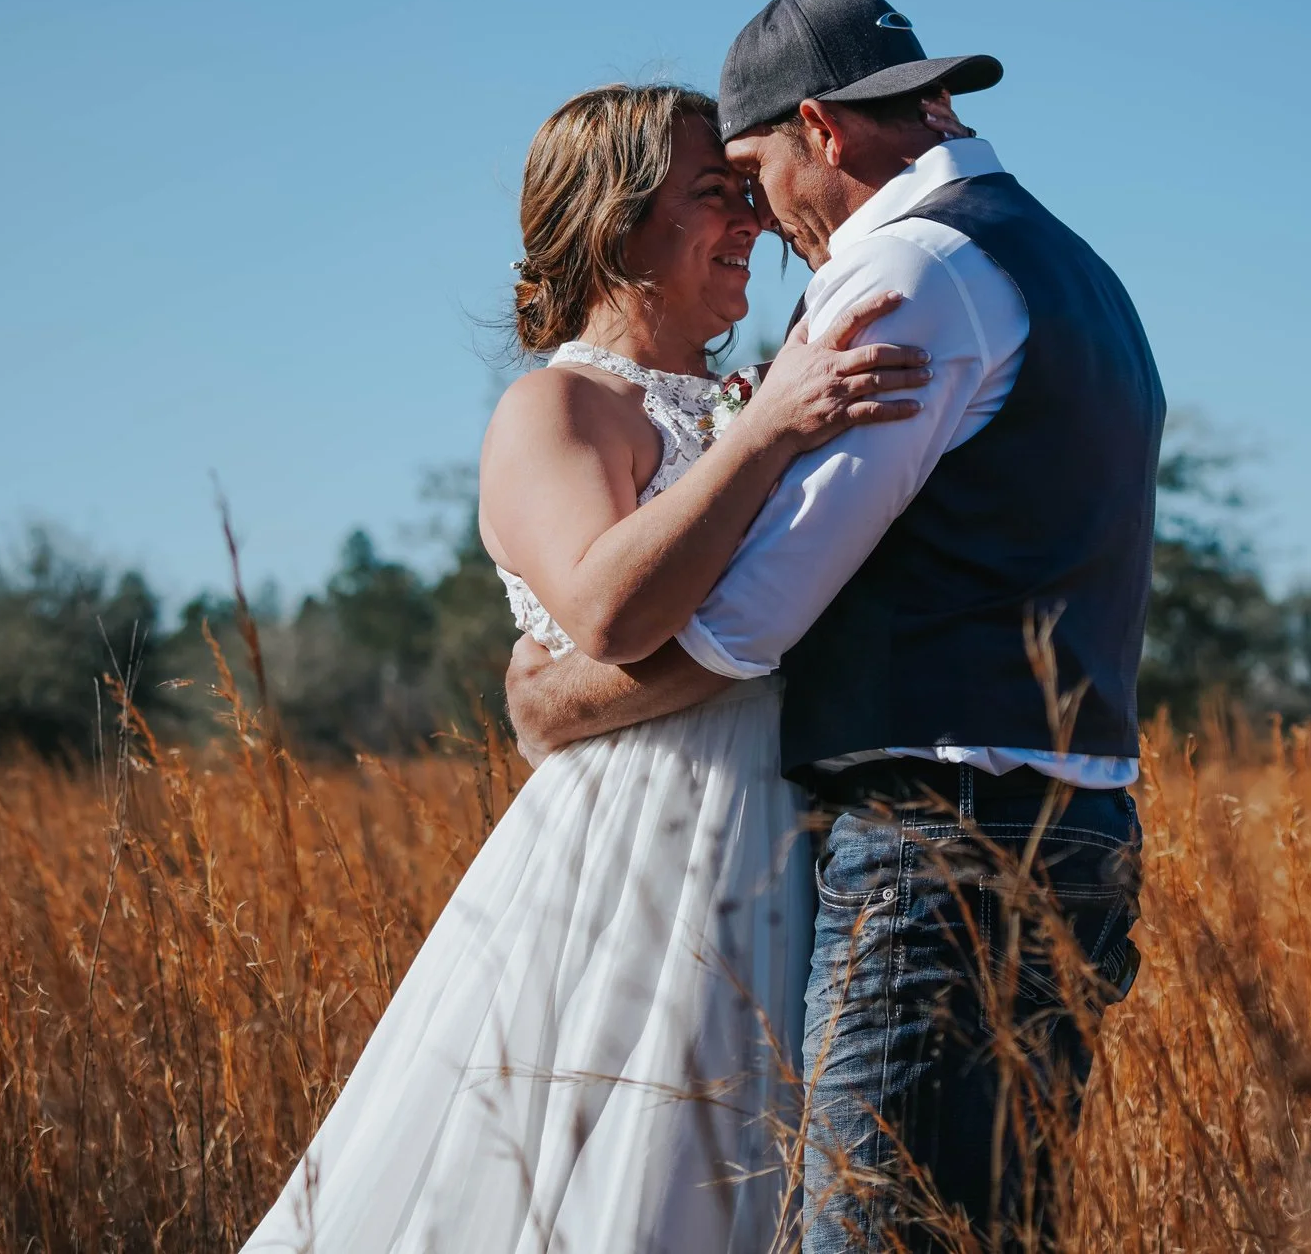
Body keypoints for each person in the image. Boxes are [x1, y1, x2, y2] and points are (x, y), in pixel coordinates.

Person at [510, 0, 1165, 1252]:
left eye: (753, 172)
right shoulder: (1069, 264)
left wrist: (554, 699)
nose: (760, 215)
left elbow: (753, 615)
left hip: (943, 843)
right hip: (1067, 825)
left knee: (875, 1235)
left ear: (818, 125)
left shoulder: (904, 266)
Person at [240, 80, 944, 1254]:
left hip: (796, 832)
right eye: (713, 195)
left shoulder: (750, 388)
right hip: (645, 859)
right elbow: (611, 612)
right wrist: (768, 429)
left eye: (746, 192)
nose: (755, 221)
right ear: (618, 227)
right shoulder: (556, 407)